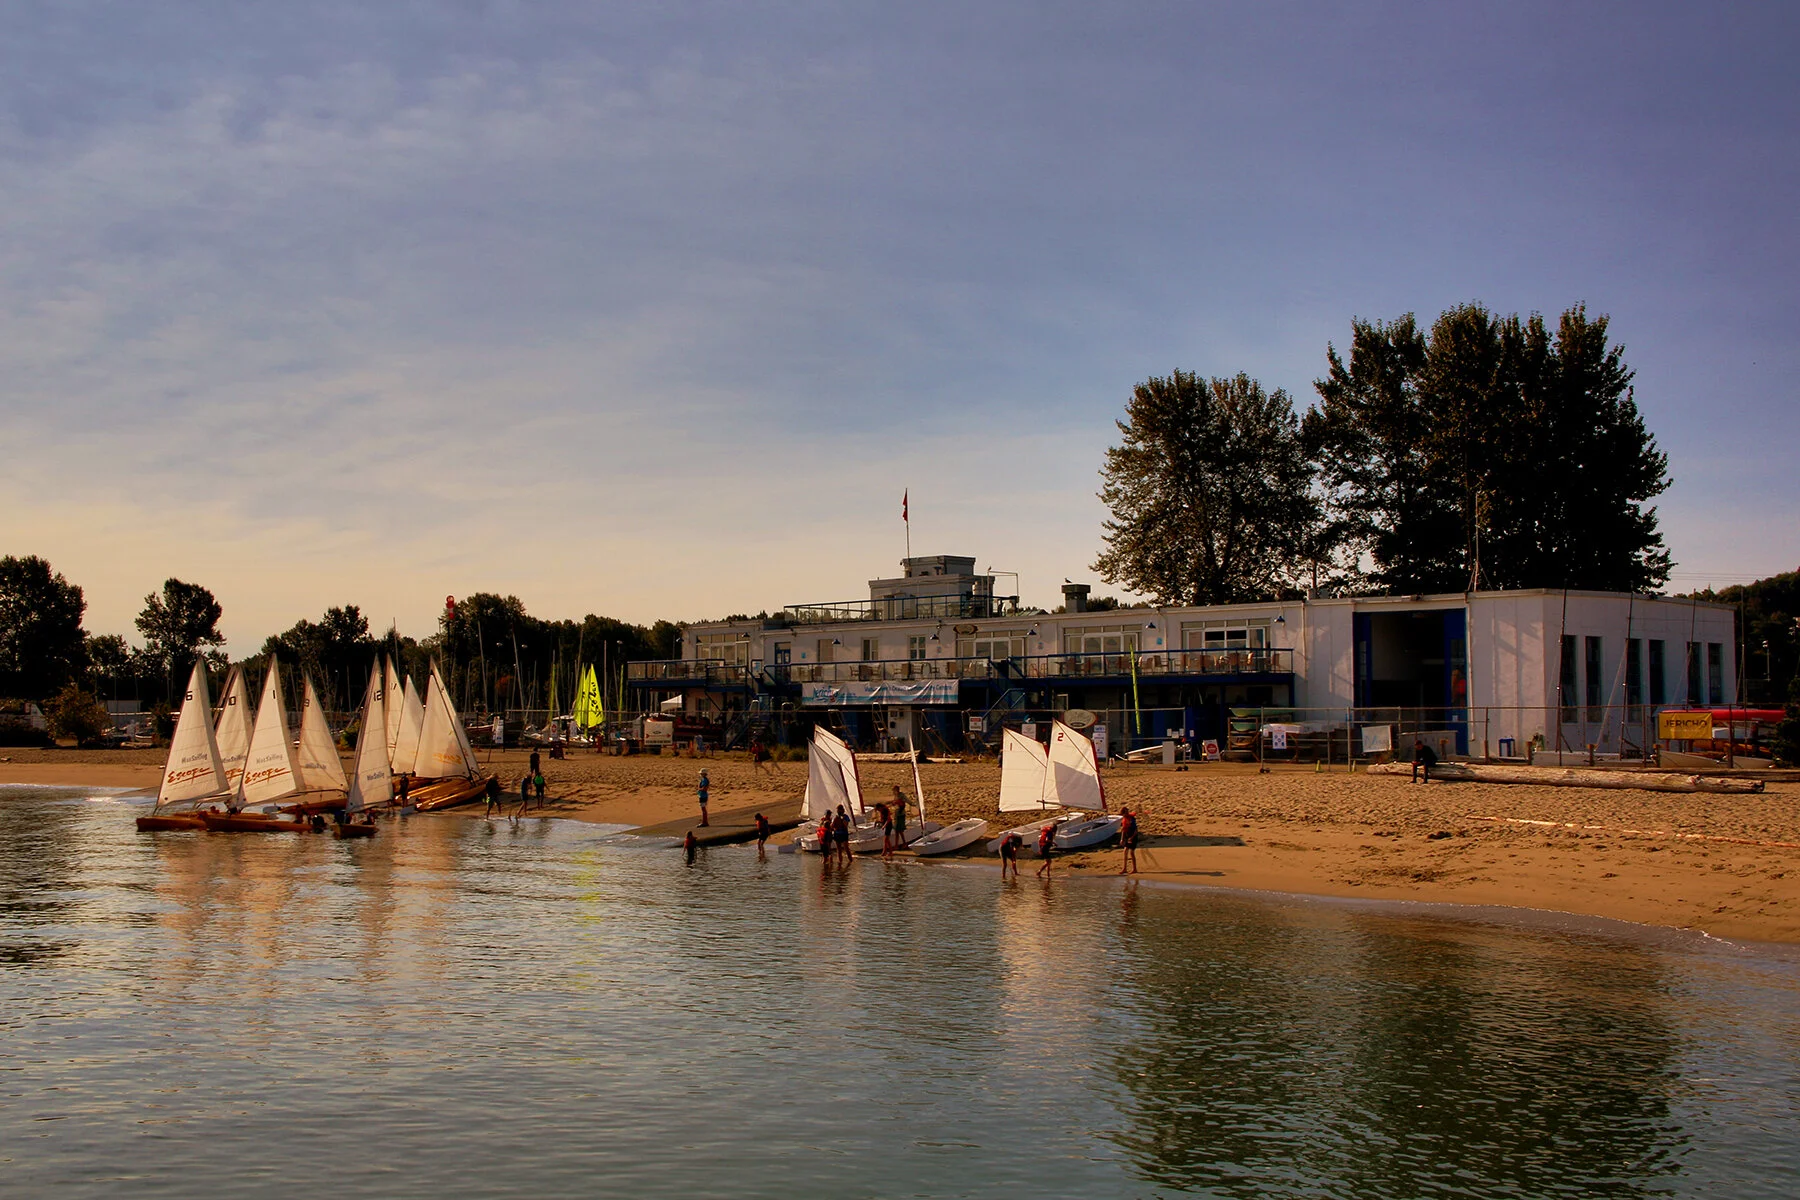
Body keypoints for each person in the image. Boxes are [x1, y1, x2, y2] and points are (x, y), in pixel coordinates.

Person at [1119, 807, 1140, 875]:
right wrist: (1122, 839)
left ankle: (1134, 869)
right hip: (1127, 836)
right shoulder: (1124, 819)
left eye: (1124, 813)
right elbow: (1123, 830)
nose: (1124, 815)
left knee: (1131, 852)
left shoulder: (1132, 819)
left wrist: (1132, 838)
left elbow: (1136, 830)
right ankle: (1124, 868)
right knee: (1125, 851)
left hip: (1133, 836)